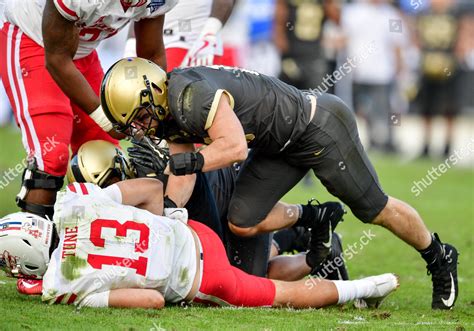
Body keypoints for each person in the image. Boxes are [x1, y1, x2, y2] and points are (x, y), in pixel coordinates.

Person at [101, 58, 458, 310]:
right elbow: (182, 177)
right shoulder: (170, 113)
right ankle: (315, 218)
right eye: (134, 122)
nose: (142, 127)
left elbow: (234, 146)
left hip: (317, 128)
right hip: (278, 146)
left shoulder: (188, 95)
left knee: (374, 209)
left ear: (153, 92)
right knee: (241, 221)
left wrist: (189, 160)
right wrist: (168, 218)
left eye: (142, 115)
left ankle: (439, 257)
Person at [0, 179, 399, 309]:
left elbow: (153, 302)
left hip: (202, 277)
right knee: (257, 266)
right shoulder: (72, 200)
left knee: (280, 295)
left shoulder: (61, 285)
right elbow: (153, 187)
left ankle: (364, 289)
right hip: (196, 234)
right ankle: (309, 248)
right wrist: (169, 223)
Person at [64, 139, 348, 280]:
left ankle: (319, 250)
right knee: (227, 264)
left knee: (239, 275)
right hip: (213, 193)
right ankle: (296, 237)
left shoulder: (148, 173)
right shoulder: (140, 161)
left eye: (111, 184)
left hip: (226, 188)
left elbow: (182, 182)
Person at [0, 0, 177, 220]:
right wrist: (104, 119)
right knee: (51, 157)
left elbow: (150, 57)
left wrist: (154, 116)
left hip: (81, 52)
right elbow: (56, 59)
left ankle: (93, 246)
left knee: (106, 161)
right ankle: (32, 245)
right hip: (33, 40)